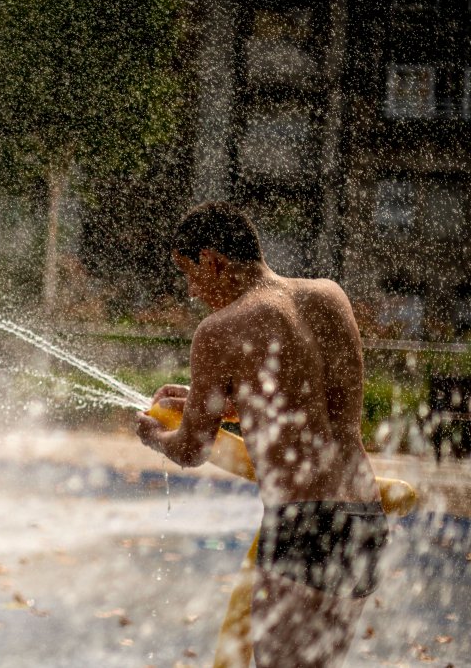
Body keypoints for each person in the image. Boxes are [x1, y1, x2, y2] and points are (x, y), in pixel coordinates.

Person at [135, 201, 388, 668]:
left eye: (190, 273)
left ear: (214, 260)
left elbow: (192, 449)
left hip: (303, 523)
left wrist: (153, 435)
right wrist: (217, 400)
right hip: (363, 516)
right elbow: (308, 400)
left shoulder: (220, 330)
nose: (191, 290)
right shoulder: (329, 296)